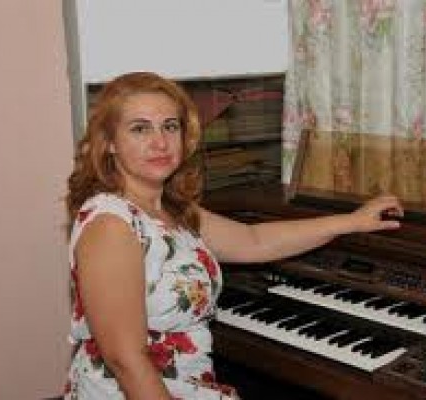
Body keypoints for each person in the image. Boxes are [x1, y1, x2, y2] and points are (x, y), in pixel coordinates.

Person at [63, 71, 403, 400]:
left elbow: (253, 240)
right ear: (109, 143)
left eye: (170, 126)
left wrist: (352, 221)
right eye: (140, 128)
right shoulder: (112, 223)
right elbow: (125, 360)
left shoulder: (171, 209)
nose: (160, 142)